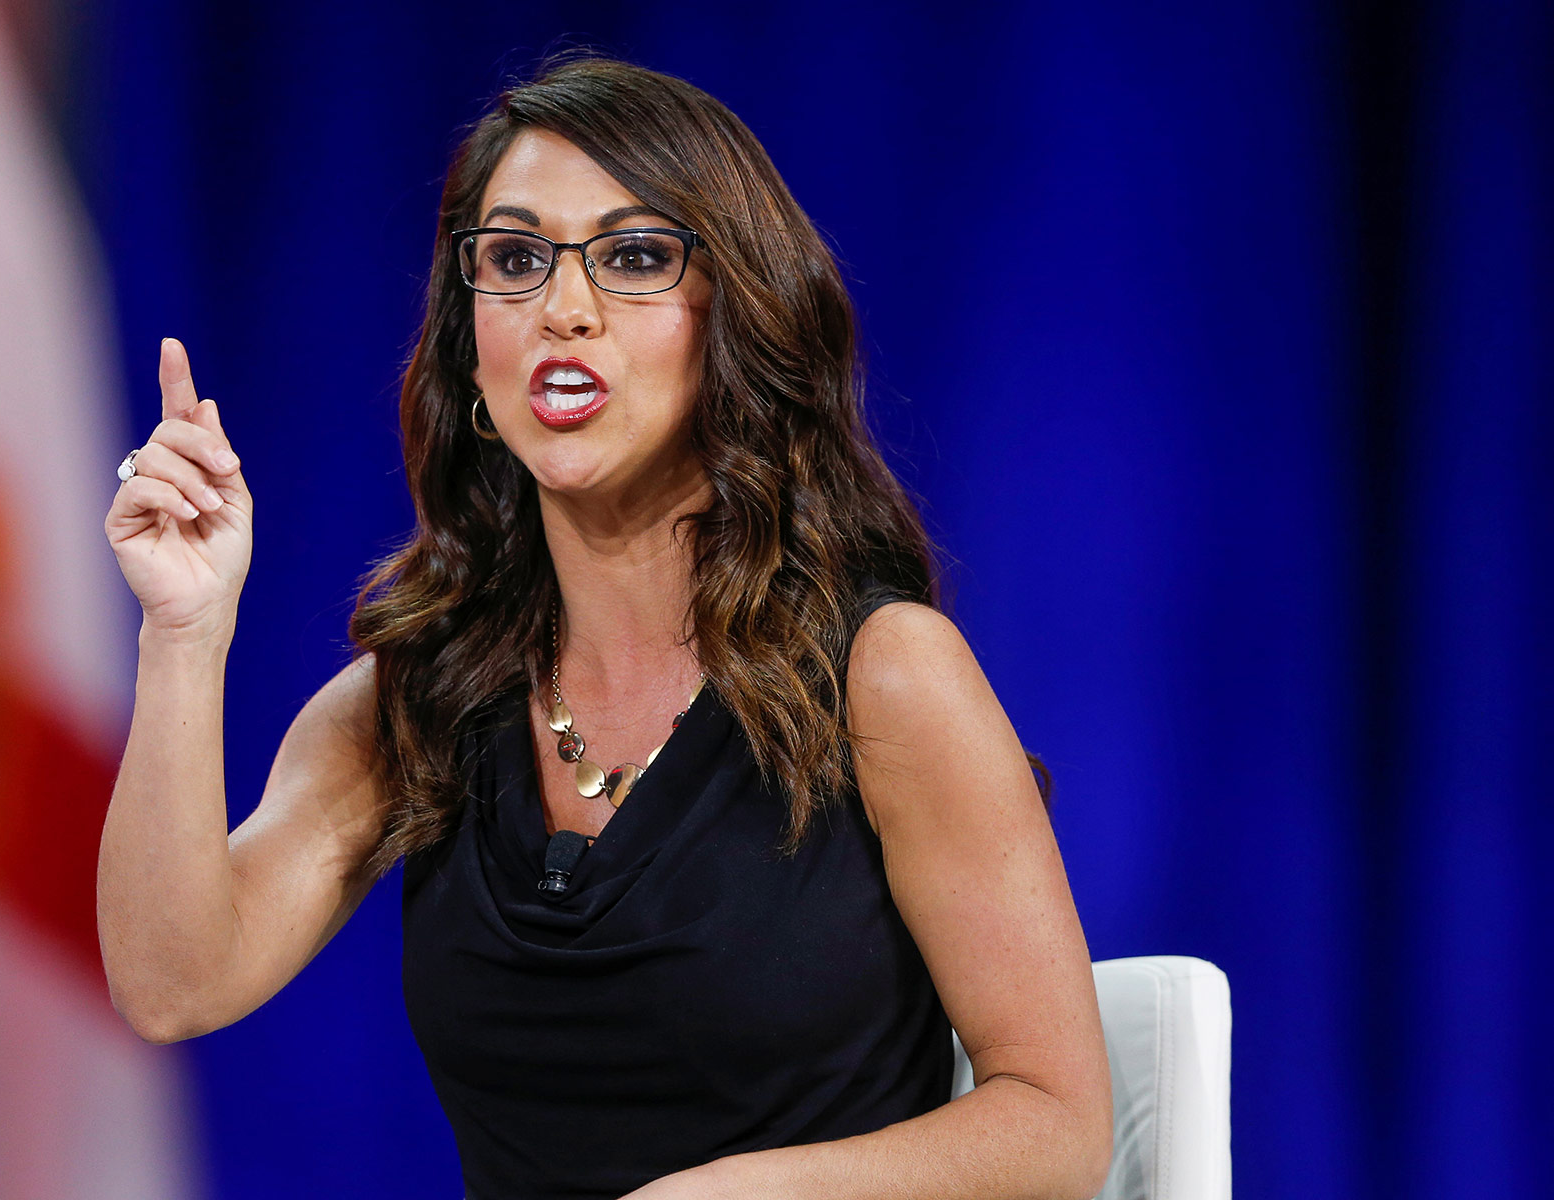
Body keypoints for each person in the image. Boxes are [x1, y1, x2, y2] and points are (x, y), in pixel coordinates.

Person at [97, 53, 1112, 1200]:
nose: (562, 309)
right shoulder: (423, 697)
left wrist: (728, 1195)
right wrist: (183, 634)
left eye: (631, 258)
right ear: (471, 352)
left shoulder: (882, 677)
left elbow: (1056, 1122)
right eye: (514, 260)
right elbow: (172, 984)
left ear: (731, 321)